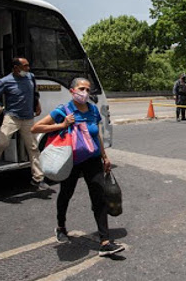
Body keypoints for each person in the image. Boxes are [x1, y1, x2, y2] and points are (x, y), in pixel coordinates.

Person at [31, 78, 125, 256]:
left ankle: (105, 241)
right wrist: (62, 124)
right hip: (71, 161)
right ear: (72, 91)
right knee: (66, 193)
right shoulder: (64, 110)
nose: (85, 93)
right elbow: (36, 128)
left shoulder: (93, 110)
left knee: (99, 197)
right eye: (81, 88)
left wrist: (105, 156)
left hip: (93, 160)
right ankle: (61, 226)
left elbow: (97, 135)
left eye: (88, 90)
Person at [0, 57, 48, 190]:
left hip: (28, 118)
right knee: (3, 142)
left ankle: (38, 179)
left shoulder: (31, 77)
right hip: (12, 117)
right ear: (16, 68)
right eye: (25, 66)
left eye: (28, 66)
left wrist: (37, 105)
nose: (28, 69)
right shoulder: (6, 81)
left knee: (33, 148)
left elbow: (34, 93)